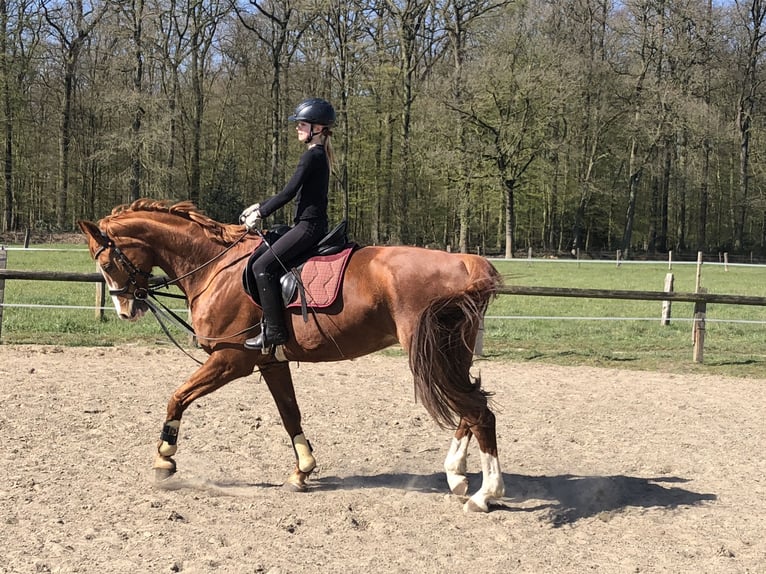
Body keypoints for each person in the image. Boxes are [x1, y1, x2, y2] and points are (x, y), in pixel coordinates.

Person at [240, 97, 335, 350]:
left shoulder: (312, 156)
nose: (297, 128)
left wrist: (261, 212)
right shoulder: (318, 154)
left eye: (302, 124)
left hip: (308, 226)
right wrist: (258, 206)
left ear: (317, 128)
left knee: (262, 266)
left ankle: (274, 332)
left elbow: (288, 193)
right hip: (308, 224)